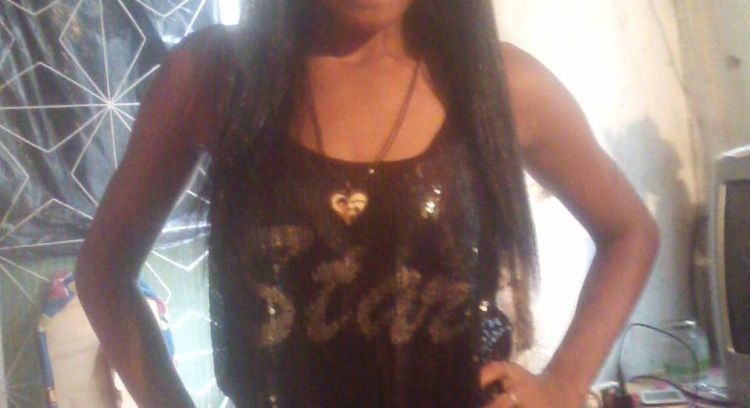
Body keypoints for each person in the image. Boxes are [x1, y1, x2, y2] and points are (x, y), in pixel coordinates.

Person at [75, 0, 660, 407]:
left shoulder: (499, 86)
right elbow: (104, 269)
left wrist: (563, 383)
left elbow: (630, 231)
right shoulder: (214, 75)